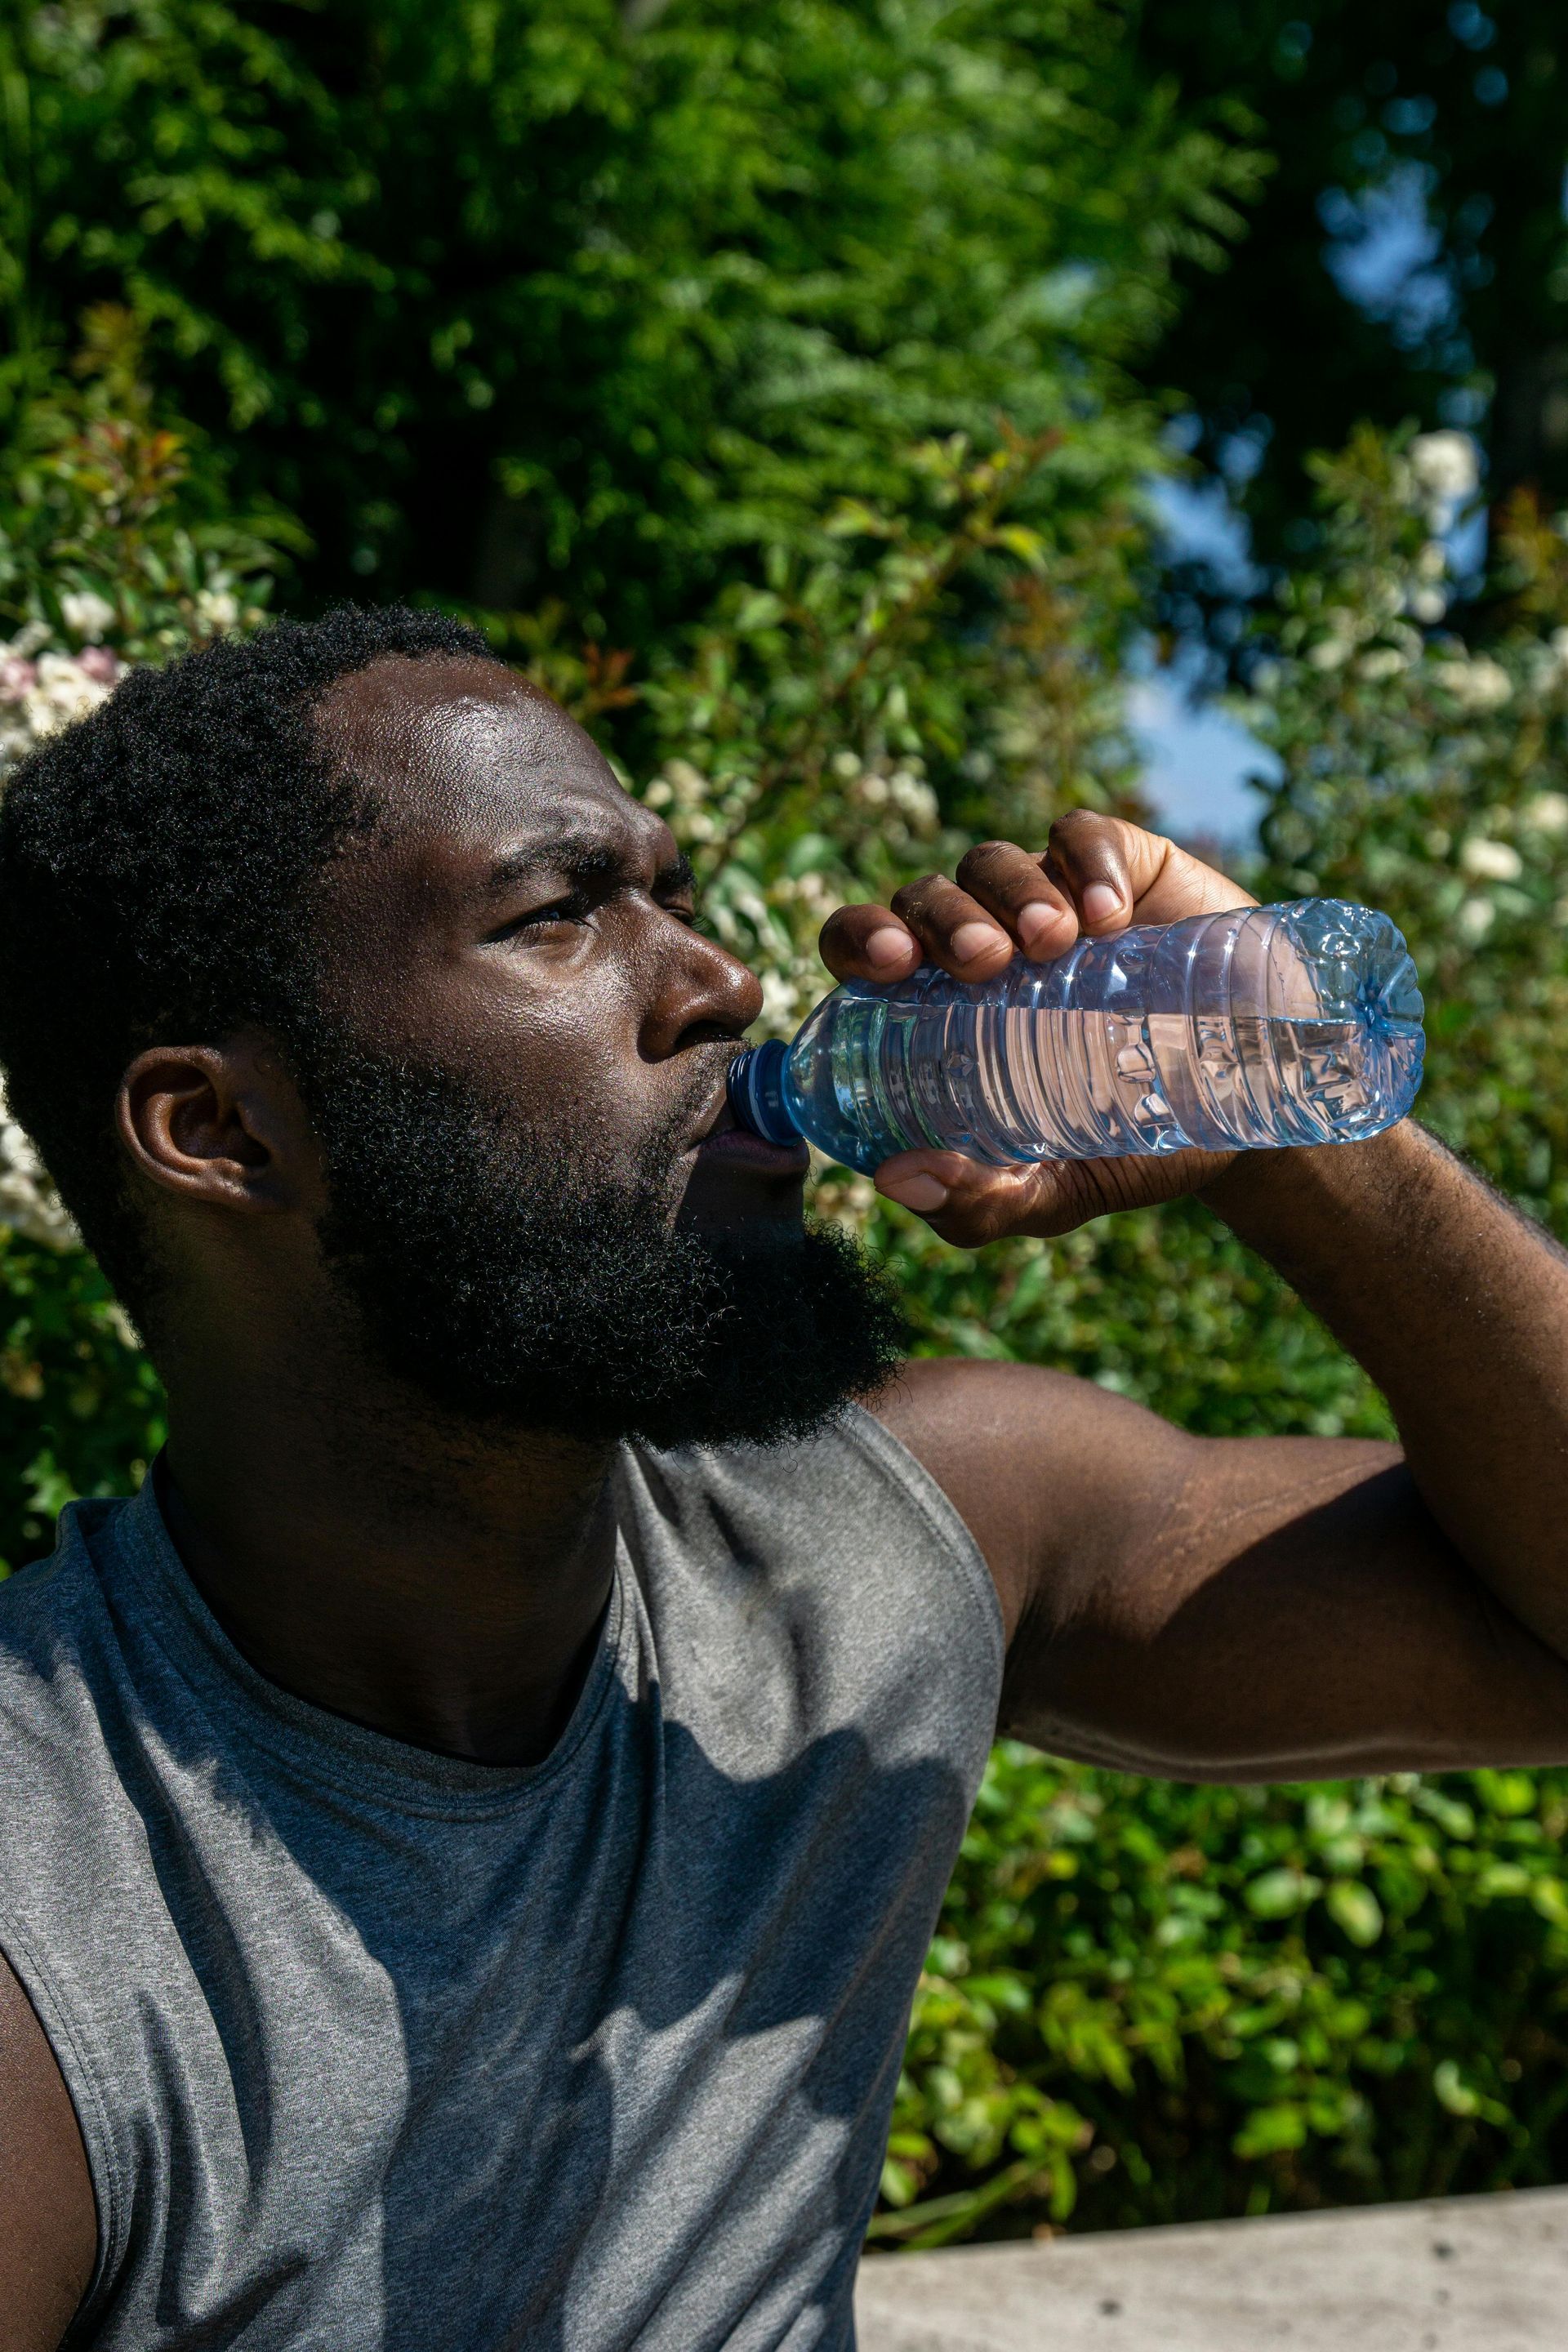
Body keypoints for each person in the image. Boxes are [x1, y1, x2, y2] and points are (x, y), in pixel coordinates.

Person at [0, 607, 1565, 2352]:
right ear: (219, 1132)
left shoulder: (893, 1533)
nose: (721, 979)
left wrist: (1286, 1133)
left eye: (671, 892)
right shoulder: (50, 1894)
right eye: (559, 913)